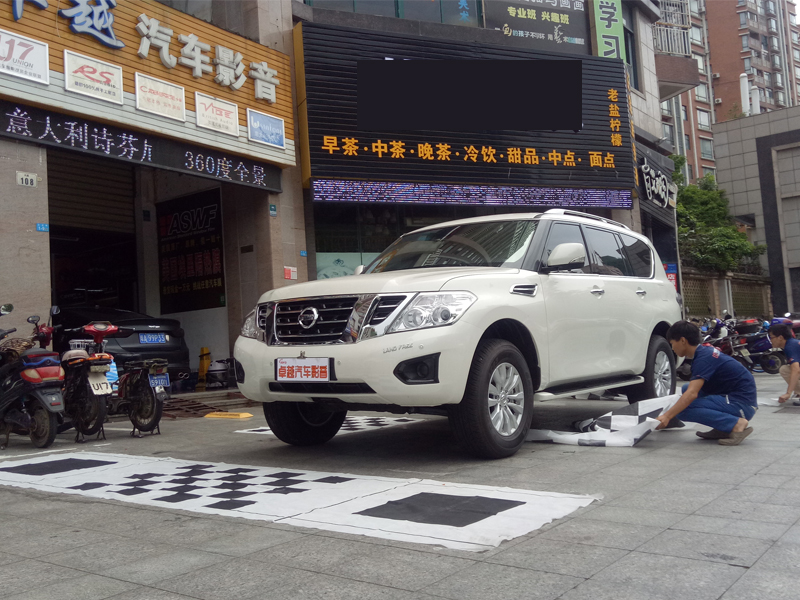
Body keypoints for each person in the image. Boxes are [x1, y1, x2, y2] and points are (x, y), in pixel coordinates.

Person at [657, 320, 758, 445]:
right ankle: (723, 428)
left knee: (683, 410)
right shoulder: (703, 352)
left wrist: (667, 416)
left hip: (742, 404)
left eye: (672, 343)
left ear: (683, 341)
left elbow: (692, 394)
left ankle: (736, 424)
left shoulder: (703, 358)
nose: (672, 348)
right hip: (737, 398)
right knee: (686, 388)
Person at [767, 323, 800, 405]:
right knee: (787, 368)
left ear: (780, 337)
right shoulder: (792, 343)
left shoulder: (790, 346)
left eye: (772, 337)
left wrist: (788, 393)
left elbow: (796, 370)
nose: (770, 340)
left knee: (785, 370)